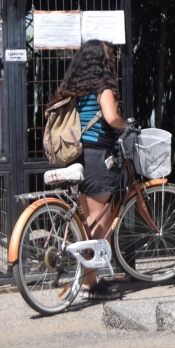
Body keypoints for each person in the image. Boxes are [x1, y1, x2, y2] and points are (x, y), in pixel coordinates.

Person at [46, 39, 127, 300]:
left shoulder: (75, 87)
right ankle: (88, 284)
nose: (111, 56)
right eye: (108, 53)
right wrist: (126, 125)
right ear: (100, 60)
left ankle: (88, 278)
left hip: (78, 156)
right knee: (97, 223)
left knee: (87, 222)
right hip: (98, 156)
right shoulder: (103, 86)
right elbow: (111, 117)